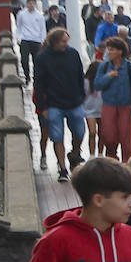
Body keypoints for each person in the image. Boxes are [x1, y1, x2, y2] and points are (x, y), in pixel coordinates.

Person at [34, 28, 87, 182]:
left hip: (74, 101)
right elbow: (39, 83)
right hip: (53, 103)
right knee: (57, 136)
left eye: (67, 41)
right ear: (54, 42)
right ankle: (62, 168)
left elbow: (79, 75)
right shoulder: (43, 57)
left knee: (79, 132)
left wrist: (81, 96)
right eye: (63, 42)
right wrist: (42, 106)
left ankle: (75, 153)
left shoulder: (73, 54)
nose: (66, 44)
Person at [94, 36, 131, 161]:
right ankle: (112, 161)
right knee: (109, 136)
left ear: (120, 51)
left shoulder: (130, 67)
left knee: (127, 140)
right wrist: (108, 76)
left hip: (126, 107)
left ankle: (127, 165)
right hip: (109, 106)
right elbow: (97, 85)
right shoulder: (104, 67)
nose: (108, 52)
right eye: (108, 50)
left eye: (111, 50)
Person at [16, 0, 46, 83]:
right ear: (27, 4)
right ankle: (27, 76)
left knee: (36, 60)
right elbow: (19, 27)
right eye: (29, 3)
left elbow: (42, 29)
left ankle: (36, 77)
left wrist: (42, 40)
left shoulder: (39, 16)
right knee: (24, 60)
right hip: (25, 39)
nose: (31, 5)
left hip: (36, 40)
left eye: (33, 3)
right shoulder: (21, 14)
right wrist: (18, 37)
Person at [84, 61, 103, 158]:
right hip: (89, 111)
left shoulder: (104, 81)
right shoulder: (86, 82)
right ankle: (91, 155)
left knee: (102, 134)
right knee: (92, 132)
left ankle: (100, 154)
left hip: (102, 111)